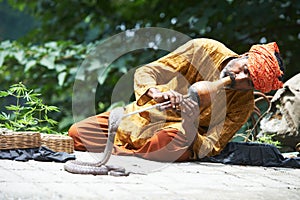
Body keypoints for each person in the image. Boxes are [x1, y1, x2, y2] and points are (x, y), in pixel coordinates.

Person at [68, 38, 284, 162]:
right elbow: (148, 71)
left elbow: (212, 145)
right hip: (143, 119)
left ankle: (119, 155)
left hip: (173, 135)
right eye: (244, 69)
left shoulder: (243, 104)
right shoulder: (203, 49)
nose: (240, 78)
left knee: (172, 137)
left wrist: (190, 124)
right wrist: (155, 93)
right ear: (244, 55)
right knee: (77, 134)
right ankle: (130, 156)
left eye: (250, 82)